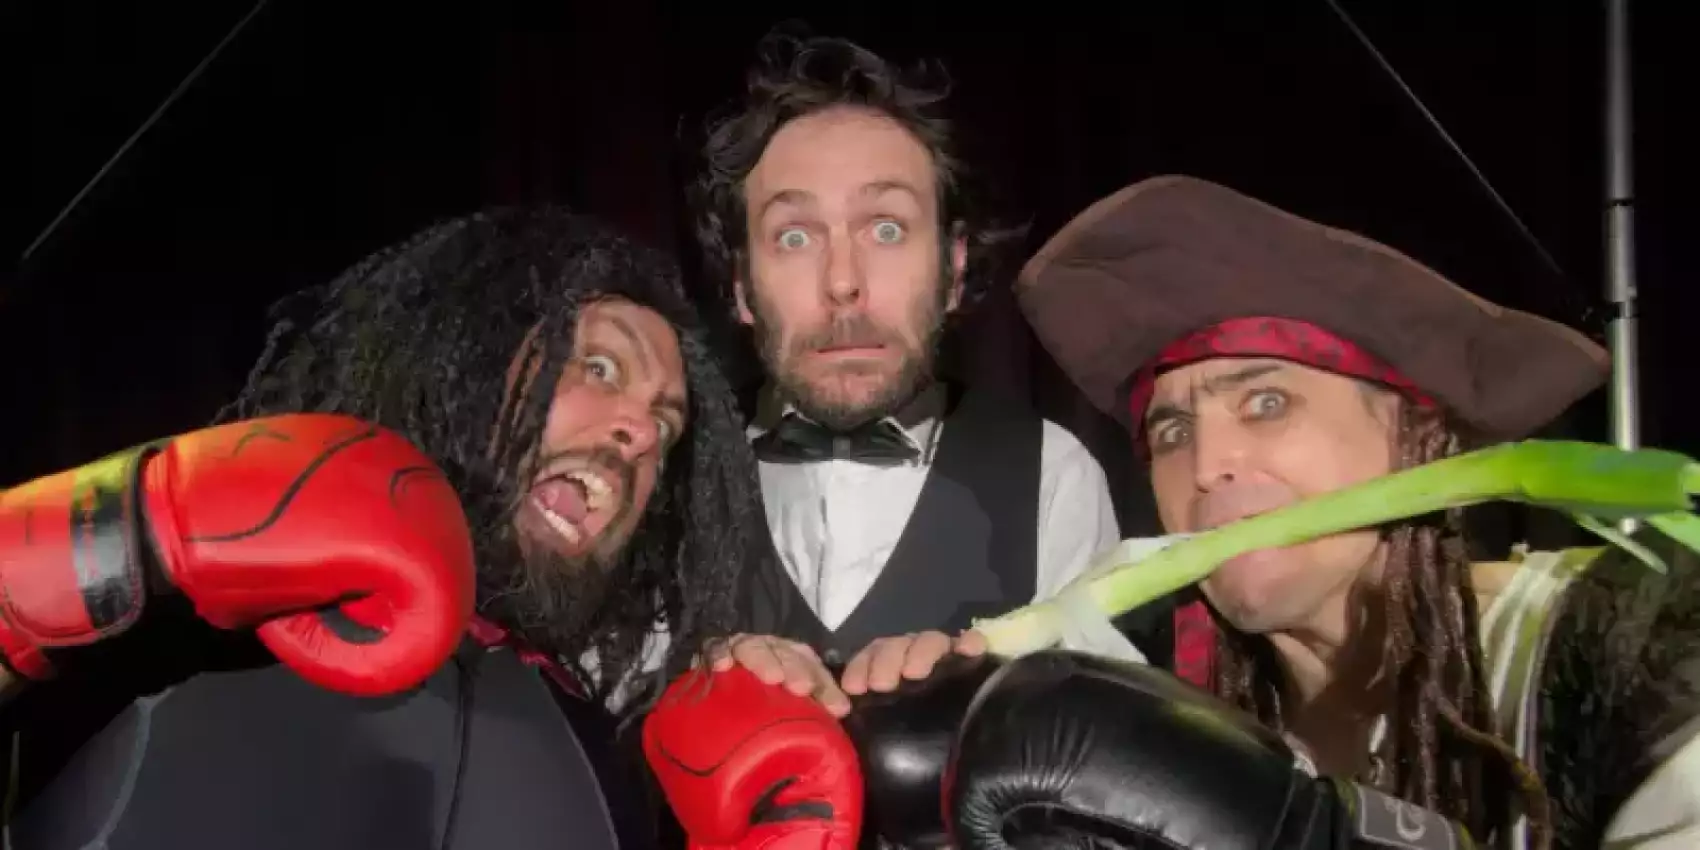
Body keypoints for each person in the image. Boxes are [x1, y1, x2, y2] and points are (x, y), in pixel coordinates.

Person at [0, 207, 786, 850]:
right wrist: (105, 544)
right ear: (468, 357)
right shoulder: (197, 636)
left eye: (665, 428)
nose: (641, 435)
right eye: (601, 367)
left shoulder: (599, 747)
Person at [940, 174, 1689, 849]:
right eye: (1172, 431)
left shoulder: (1624, 650)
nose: (1206, 464)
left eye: (1267, 403)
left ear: (1414, 440)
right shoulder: (1166, 722)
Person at [687, 30, 1123, 714]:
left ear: (953, 269)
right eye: (794, 236)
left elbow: (1097, 744)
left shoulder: (1055, 477)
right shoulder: (673, 476)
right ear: (743, 286)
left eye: (886, 228)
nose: (843, 282)